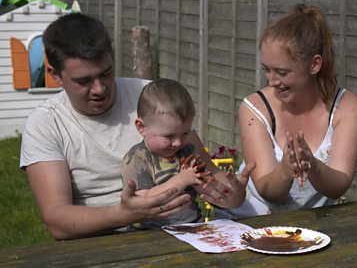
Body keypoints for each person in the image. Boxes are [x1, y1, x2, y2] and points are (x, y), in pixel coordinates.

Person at [19, 13, 254, 240]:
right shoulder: (46, 124)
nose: (100, 88)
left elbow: (208, 176)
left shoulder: (154, 98)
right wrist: (124, 214)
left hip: (182, 234)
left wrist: (231, 193)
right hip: (97, 243)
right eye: (83, 81)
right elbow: (57, 222)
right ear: (55, 74)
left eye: (106, 73)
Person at [221, 4, 357, 218]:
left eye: (282, 72)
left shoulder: (347, 107)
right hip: (249, 224)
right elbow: (268, 191)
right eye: (267, 70)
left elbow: (339, 185)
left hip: (311, 230)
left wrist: (312, 165)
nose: (271, 81)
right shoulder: (255, 108)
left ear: (314, 65)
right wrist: (286, 169)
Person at [121, 78, 212, 228]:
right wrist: (183, 179)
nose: (178, 142)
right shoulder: (138, 158)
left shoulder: (186, 150)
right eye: (169, 136)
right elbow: (142, 201)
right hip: (150, 233)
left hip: (191, 225)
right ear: (142, 127)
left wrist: (208, 184)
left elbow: (203, 189)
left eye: (185, 133)